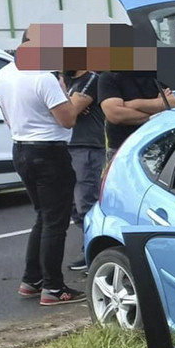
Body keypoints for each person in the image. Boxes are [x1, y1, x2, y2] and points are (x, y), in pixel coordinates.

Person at [0, 31, 90, 305]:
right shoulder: (42, 78)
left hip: (21, 148)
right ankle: (54, 288)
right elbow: (68, 120)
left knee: (42, 217)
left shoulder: (3, 74)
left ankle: (31, 280)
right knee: (55, 223)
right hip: (49, 152)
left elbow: (8, 118)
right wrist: (68, 94)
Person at [62, 70, 106, 272]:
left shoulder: (90, 79)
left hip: (86, 146)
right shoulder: (61, 81)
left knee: (86, 203)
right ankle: (90, 247)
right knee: (72, 205)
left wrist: (67, 105)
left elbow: (69, 111)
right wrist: (66, 103)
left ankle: (96, 253)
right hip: (65, 145)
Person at [99, 70, 175, 153]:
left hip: (163, 146)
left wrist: (134, 104)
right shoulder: (110, 76)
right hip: (123, 150)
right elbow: (115, 114)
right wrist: (160, 106)